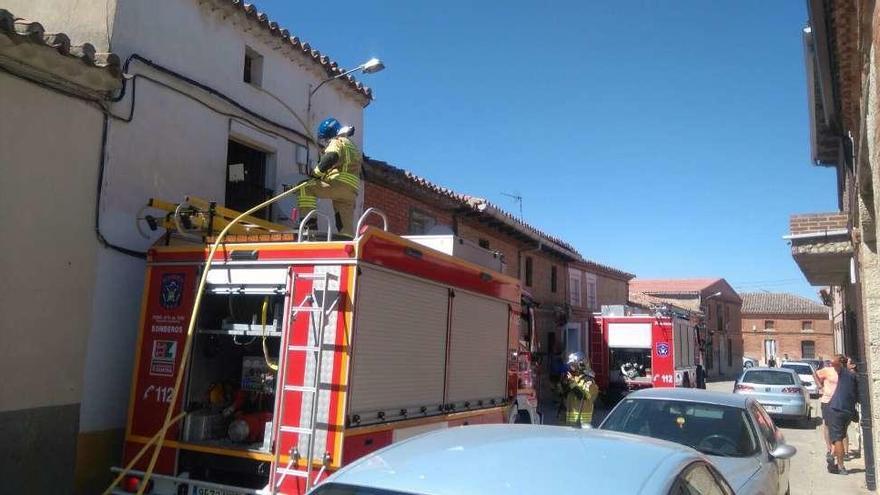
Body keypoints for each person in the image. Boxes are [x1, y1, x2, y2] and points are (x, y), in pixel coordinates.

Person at [296, 117, 362, 238]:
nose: (326, 142)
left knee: (305, 188)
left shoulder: (337, 141)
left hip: (338, 184)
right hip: (351, 191)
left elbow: (331, 157)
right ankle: (347, 242)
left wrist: (315, 174)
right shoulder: (352, 146)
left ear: (330, 134)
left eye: (326, 138)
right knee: (345, 227)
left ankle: (309, 228)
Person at [826, 354, 859, 474]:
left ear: (853, 365)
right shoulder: (857, 378)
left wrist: (841, 358)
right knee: (840, 435)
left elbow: (833, 361)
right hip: (848, 412)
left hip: (837, 409)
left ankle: (840, 467)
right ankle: (833, 456)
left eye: (848, 361)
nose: (846, 362)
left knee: (837, 438)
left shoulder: (846, 374)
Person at [559, 352, 599, 428]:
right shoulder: (575, 378)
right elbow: (565, 395)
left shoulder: (589, 381)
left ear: (581, 364)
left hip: (583, 422)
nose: (571, 367)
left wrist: (572, 382)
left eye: (573, 365)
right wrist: (564, 383)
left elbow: (583, 396)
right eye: (571, 365)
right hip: (571, 421)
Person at [816, 355, 840, 467]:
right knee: (827, 425)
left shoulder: (843, 372)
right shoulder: (827, 370)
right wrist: (820, 386)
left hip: (839, 401)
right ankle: (829, 448)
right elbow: (815, 374)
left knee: (837, 425)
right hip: (826, 400)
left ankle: (836, 450)